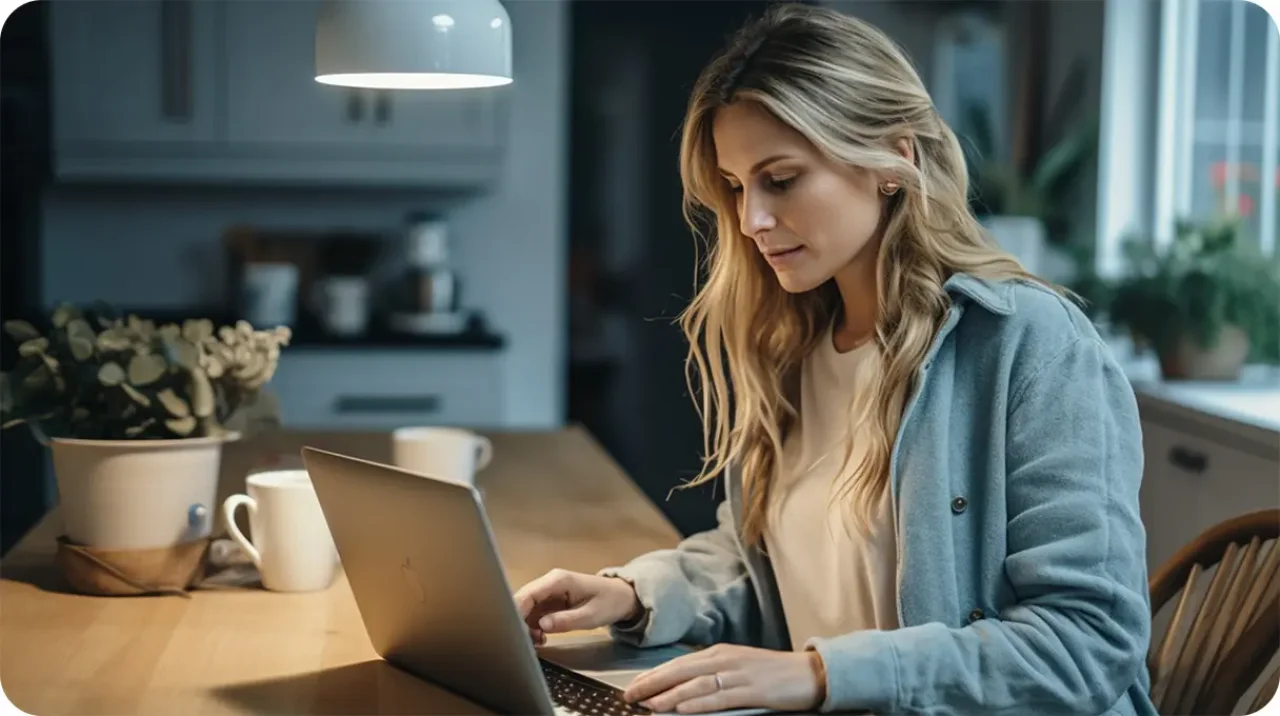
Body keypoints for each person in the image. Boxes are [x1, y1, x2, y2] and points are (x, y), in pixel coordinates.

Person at [514, 4, 1154, 714]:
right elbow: (768, 565)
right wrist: (635, 594)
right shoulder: (796, 348)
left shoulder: (1029, 342)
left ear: (893, 161)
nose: (752, 220)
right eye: (735, 186)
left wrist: (818, 674)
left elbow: (1087, 642)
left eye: (780, 179)